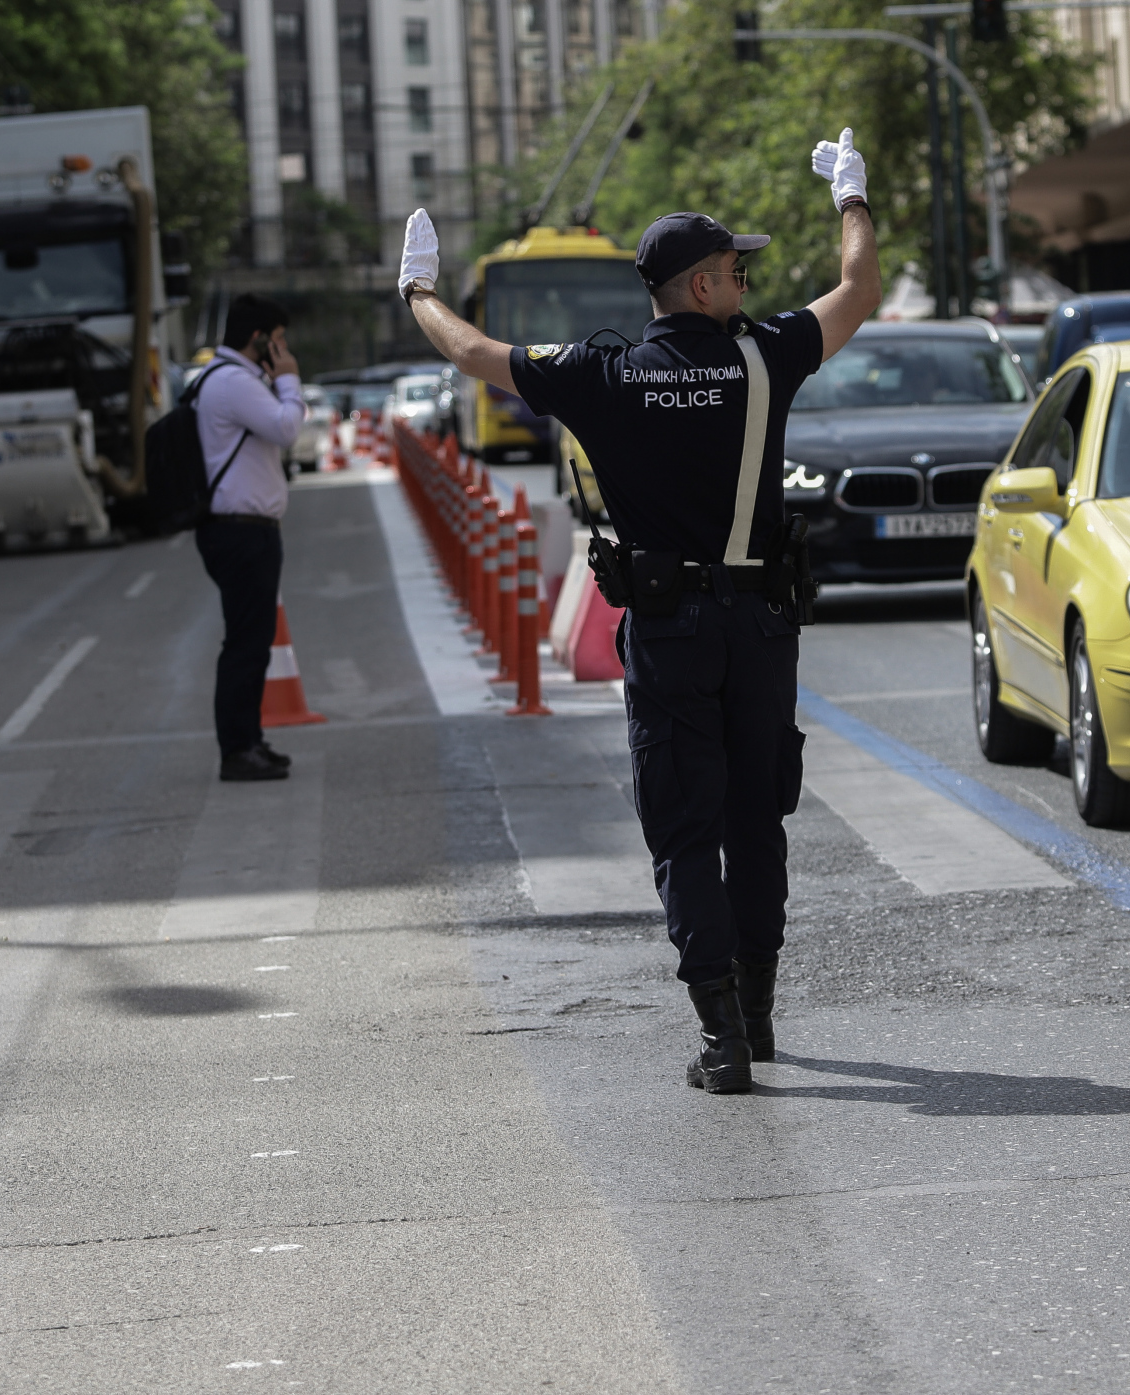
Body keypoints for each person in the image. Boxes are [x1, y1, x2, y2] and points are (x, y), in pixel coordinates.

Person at [398, 128, 883, 1094]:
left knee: (682, 826)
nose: (744, 277)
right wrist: (851, 200)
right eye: (732, 266)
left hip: (667, 635)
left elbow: (473, 353)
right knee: (757, 821)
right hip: (757, 626)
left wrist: (417, 289)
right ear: (696, 286)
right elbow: (861, 290)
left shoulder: (602, 374)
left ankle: (721, 1039)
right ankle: (758, 1011)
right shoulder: (767, 356)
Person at [196, 295, 307, 783]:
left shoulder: (230, 380)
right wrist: (289, 378)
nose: (282, 350)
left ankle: (249, 740)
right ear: (257, 338)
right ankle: (237, 750)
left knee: (253, 641)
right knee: (245, 643)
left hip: (244, 532)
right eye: (277, 340)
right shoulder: (234, 382)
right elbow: (286, 428)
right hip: (240, 533)